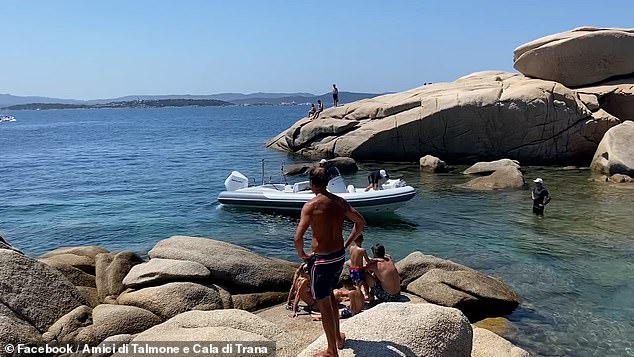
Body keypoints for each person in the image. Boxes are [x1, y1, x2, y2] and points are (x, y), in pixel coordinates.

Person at [295, 167, 366, 356]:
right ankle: (338, 337)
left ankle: (331, 351)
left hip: (322, 260)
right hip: (338, 257)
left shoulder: (311, 206)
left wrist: (302, 254)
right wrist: (347, 243)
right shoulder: (340, 202)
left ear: (311, 183)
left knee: (324, 304)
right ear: (327, 182)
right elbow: (360, 223)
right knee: (331, 299)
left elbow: (298, 237)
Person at [349, 234, 372, 300]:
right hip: (359, 270)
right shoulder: (362, 250)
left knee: (360, 283)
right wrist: (376, 260)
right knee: (359, 286)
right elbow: (368, 261)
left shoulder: (351, 248)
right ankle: (358, 298)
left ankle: (366, 294)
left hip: (352, 269)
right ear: (362, 240)